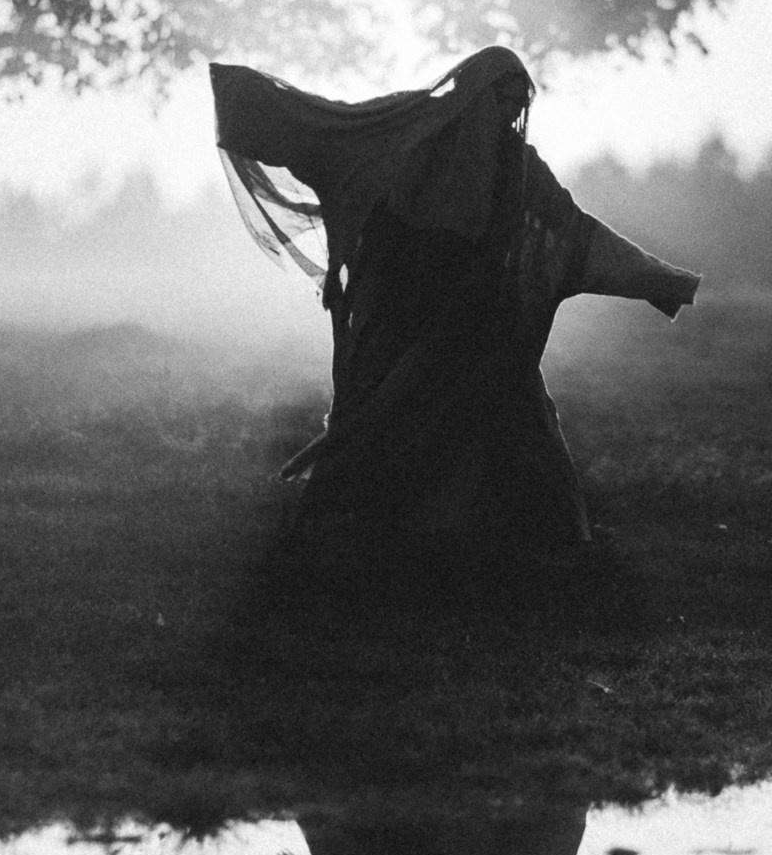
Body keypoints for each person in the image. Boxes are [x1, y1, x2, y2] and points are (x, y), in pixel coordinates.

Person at [212, 47, 699, 547]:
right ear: (471, 92)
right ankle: (363, 550)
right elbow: (338, 132)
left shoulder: (519, 168)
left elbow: (577, 236)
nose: (508, 113)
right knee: (379, 428)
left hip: (483, 327)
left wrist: (660, 280)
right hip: (402, 320)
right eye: (499, 99)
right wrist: (246, 99)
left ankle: (511, 558)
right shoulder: (411, 137)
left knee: (507, 438)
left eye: (517, 104)